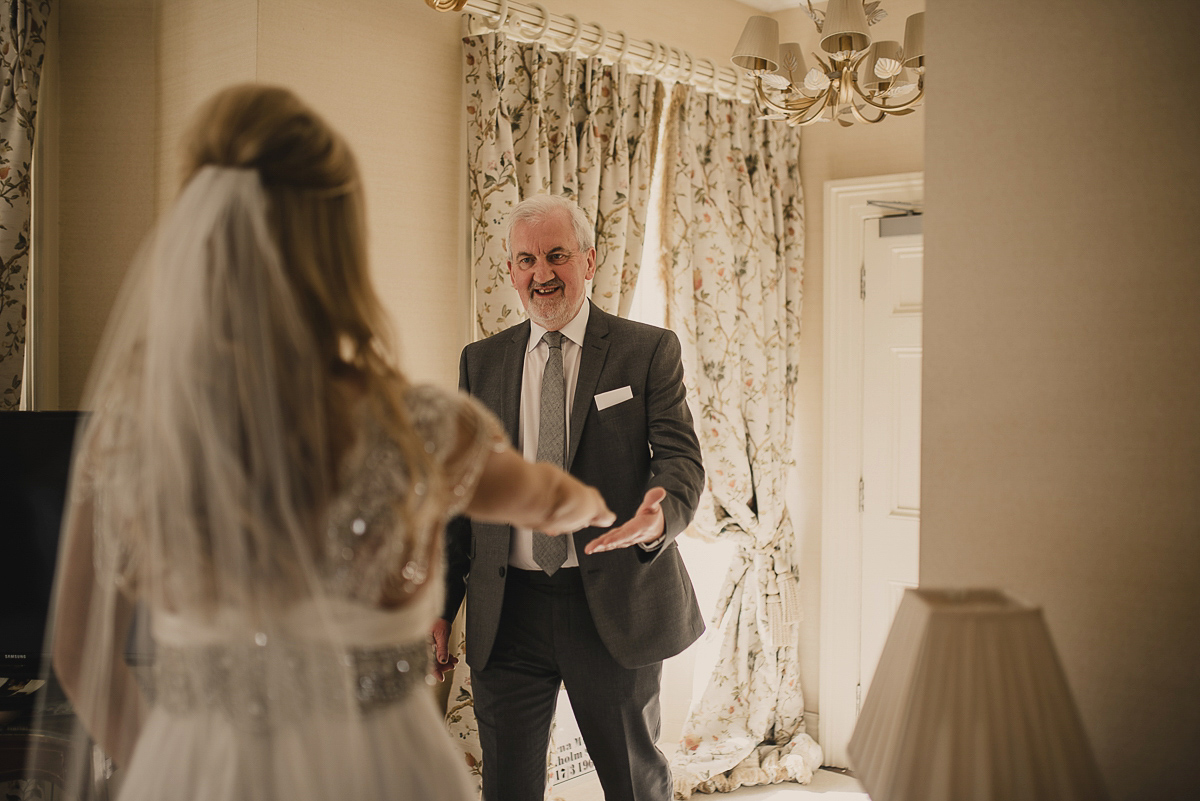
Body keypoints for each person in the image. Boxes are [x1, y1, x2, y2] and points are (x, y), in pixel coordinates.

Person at [44, 85, 626, 801]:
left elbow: (77, 647)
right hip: (380, 773)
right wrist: (587, 503)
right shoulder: (415, 426)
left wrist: (172, 764)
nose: (538, 274)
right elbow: (542, 497)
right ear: (338, 246)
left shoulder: (134, 434)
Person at [433, 195, 706, 801]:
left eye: (557, 255)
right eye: (527, 259)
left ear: (588, 259)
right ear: (510, 270)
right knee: (507, 787)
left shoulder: (647, 350)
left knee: (633, 784)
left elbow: (681, 459)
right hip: (508, 611)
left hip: (612, 605)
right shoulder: (482, 363)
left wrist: (659, 515)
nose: (542, 273)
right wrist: (439, 603)